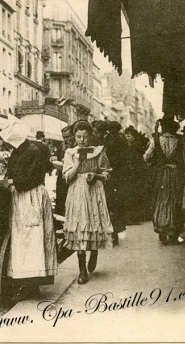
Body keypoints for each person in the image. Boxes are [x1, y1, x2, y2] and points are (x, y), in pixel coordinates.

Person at [1, 117, 57, 298]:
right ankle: (23, 279)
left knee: (32, 239)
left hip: (31, 197)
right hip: (22, 197)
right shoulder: (19, 151)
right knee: (23, 239)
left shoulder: (32, 152)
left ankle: (31, 284)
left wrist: (12, 181)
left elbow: (33, 177)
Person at [63, 121, 114, 284]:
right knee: (79, 227)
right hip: (77, 191)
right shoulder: (70, 153)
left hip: (94, 192)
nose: (82, 140)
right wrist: (78, 162)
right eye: (78, 137)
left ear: (91, 136)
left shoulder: (99, 152)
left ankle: (94, 251)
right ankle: (82, 270)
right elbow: (67, 178)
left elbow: (107, 173)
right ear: (74, 137)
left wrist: (97, 176)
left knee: (93, 223)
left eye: (85, 136)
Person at [144, 118, 185, 244]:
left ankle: (161, 230)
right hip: (175, 174)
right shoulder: (180, 141)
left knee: (160, 200)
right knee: (173, 200)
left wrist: (154, 163)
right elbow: (184, 159)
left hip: (160, 174)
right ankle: (173, 233)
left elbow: (147, 156)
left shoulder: (155, 140)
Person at [103, 120, 128, 245]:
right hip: (120, 176)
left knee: (109, 204)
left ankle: (112, 233)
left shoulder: (107, 140)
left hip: (110, 175)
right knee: (115, 205)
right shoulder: (122, 139)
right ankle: (116, 233)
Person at [52, 125, 76, 217]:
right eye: (63, 137)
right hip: (61, 180)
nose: (65, 139)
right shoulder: (62, 146)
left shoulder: (77, 147)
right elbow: (55, 157)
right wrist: (53, 158)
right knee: (61, 201)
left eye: (67, 137)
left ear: (73, 135)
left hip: (72, 179)